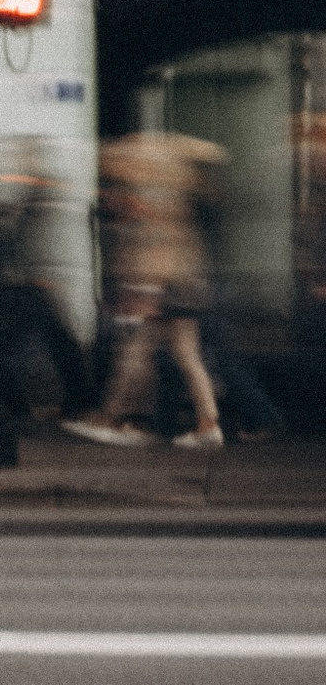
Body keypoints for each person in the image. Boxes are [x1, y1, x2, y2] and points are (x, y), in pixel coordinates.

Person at [69, 126, 226, 447]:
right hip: (181, 286)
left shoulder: (159, 197)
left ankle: (118, 419)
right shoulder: (171, 194)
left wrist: (148, 292)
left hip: (170, 288)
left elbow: (161, 251)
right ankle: (205, 425)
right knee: (179, 354)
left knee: (142, 354)